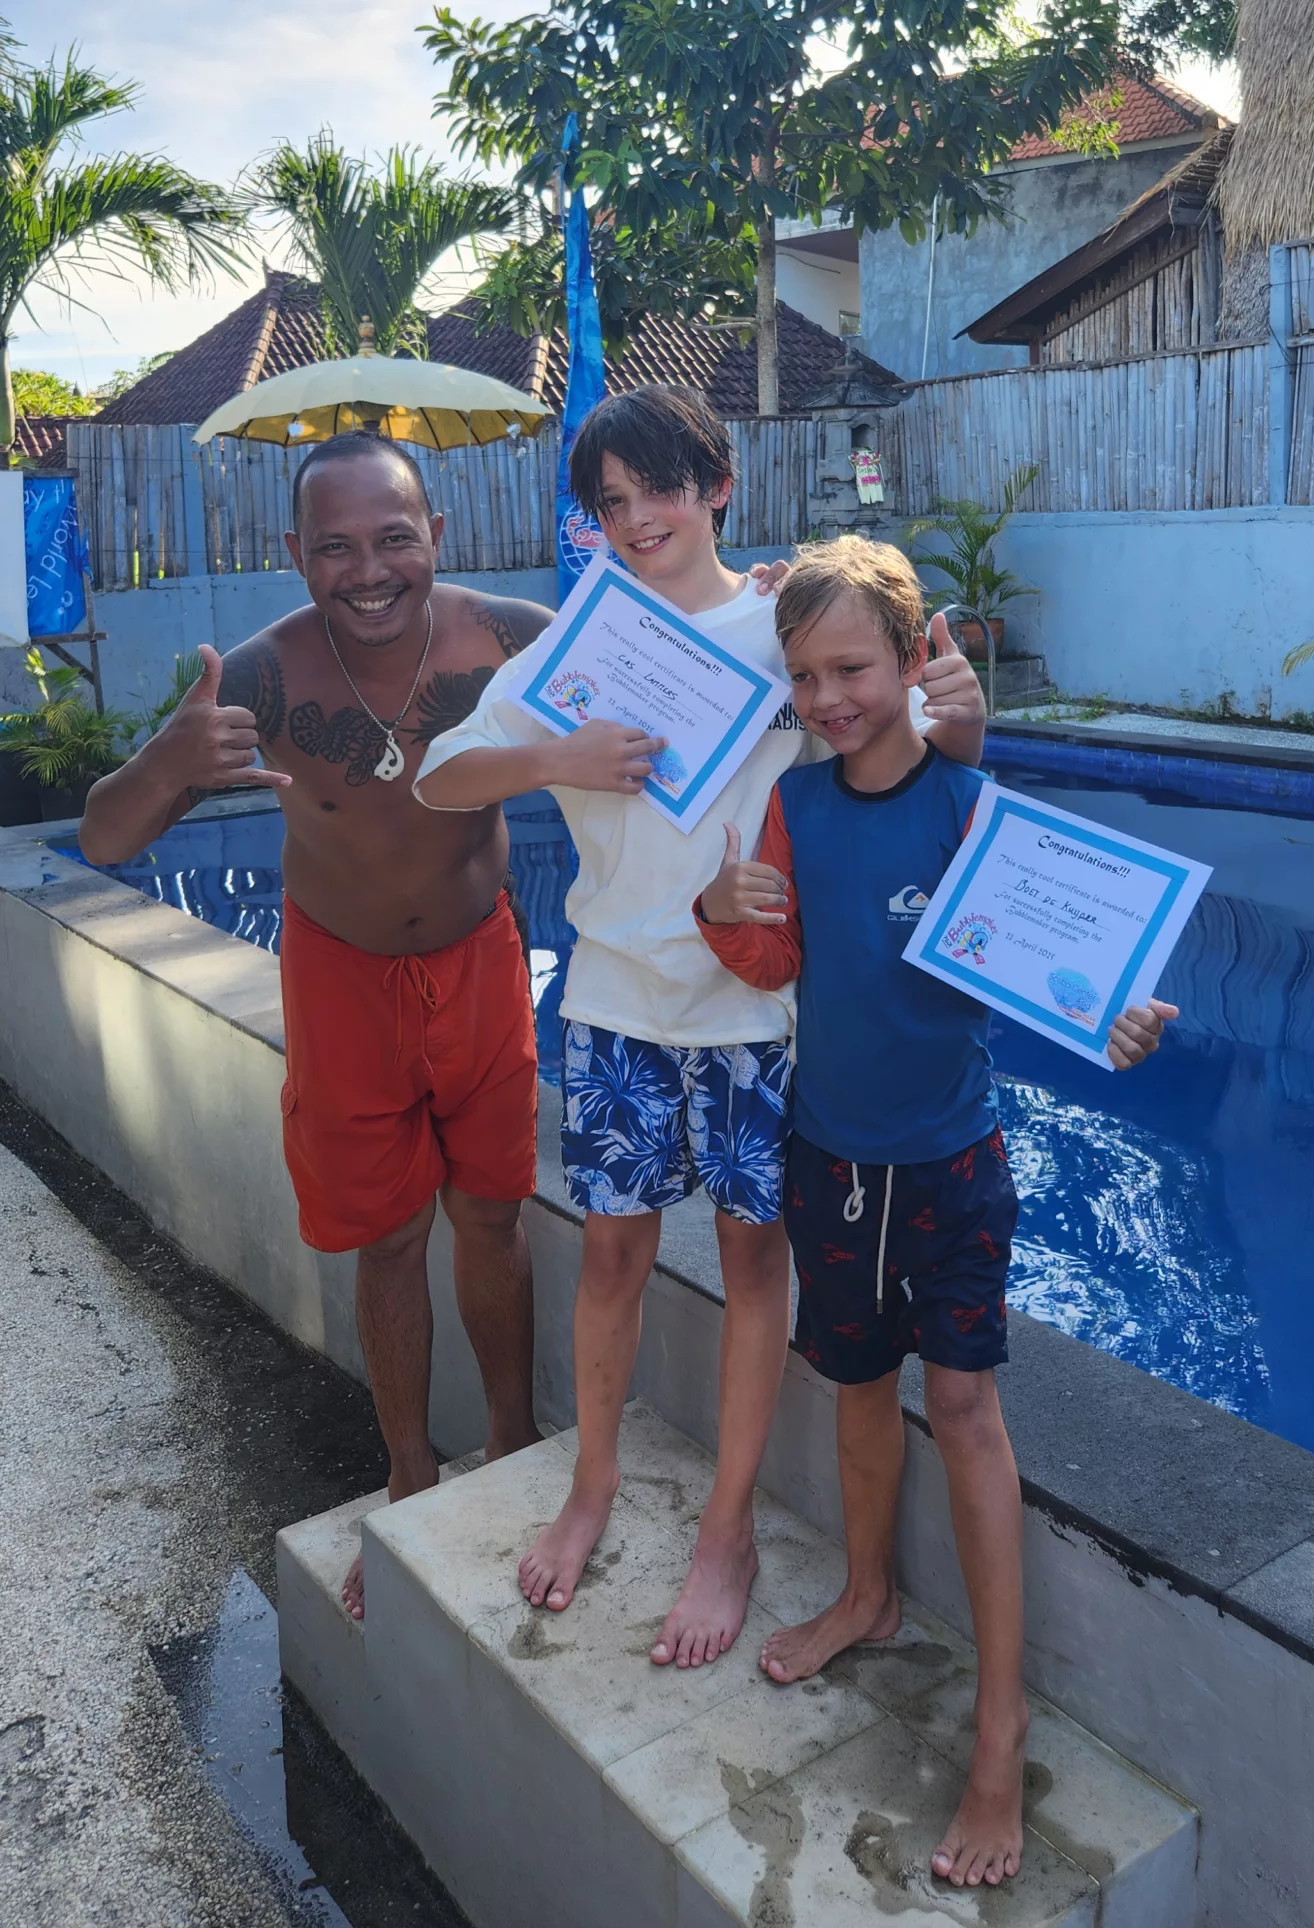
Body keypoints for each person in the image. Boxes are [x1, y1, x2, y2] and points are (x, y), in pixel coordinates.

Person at [412, 384, 989, 1670]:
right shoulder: (577, 646)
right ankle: (593, 1484)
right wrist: (553, 759)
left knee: (748, 1266)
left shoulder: (778, 627)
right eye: (607, 504)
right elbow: (438, 774)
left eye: (656, 491)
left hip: (758, 1013)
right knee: (610, 1255)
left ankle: (724, 1527)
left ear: (716, 485)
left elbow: (899, 733)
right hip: (617, 1001)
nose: (634, 521)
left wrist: (959, 706)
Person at [694, 535, 1176, 1892]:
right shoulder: (795, 805)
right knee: (854, 1389)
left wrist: (1117, 1016)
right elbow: (774, 952)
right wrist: (716, 905)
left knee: (962, 1412)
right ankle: (867, 1591)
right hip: (830, 1160)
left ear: (916, 661)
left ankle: (998, 1725)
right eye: (803, 676)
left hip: (952, 1164)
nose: (827, 696)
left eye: (851, 667)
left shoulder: (972, 807)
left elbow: (1057, 964)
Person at [78, 430, 588, 1619]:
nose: (370, 569)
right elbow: (102, 841)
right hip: (342, 975)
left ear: (438, 537)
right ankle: (407, 1468)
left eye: (395, 538)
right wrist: (166, 759)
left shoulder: (511, 640)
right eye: (338, 546)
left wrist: (760, 601)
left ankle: (512, 1435)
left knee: (492, 1216)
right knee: (388, 1236)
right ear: (298, 554)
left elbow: (686, 679)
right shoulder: (261, 675)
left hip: (477, 963)